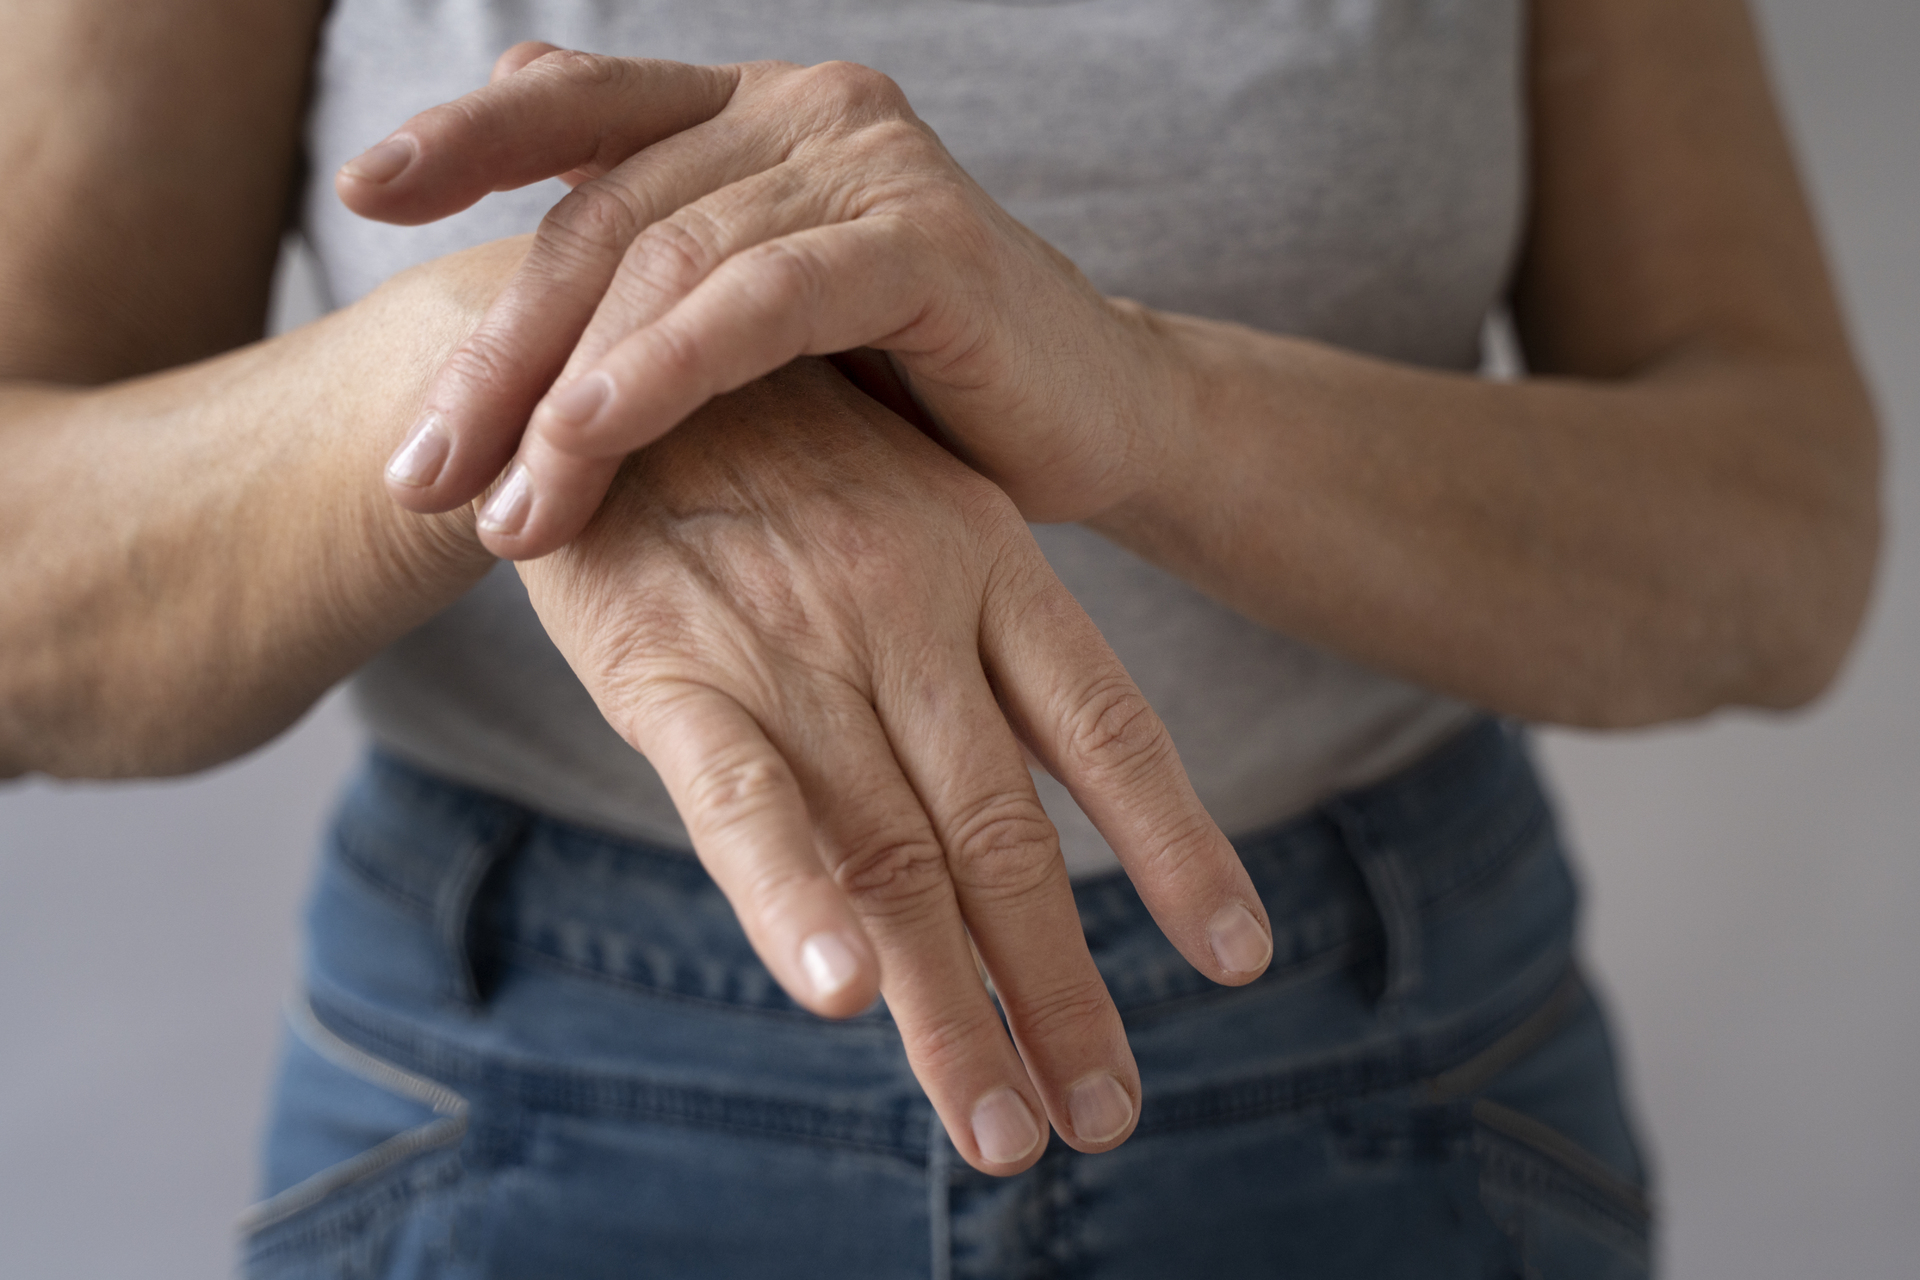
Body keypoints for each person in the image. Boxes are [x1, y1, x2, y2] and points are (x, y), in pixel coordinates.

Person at [0, 0, 1878, 1275]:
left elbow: (1779, 532)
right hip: (530, 1090)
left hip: (1385, 1068)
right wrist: (525, 363)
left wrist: (1151, 402)